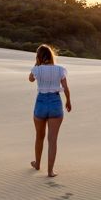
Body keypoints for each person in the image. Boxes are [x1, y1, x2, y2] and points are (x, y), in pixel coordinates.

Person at [29, 44, 71, 177]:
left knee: (39, 136)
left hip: (41, 102)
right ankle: (50, 171)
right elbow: (65, 87)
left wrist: (37, 64)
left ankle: (37, 164)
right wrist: (68, 101)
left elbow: (30, 79)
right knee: (52, 139)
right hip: (55, 102)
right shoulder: (60, 69)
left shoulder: (37, 69)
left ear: (39, 57)